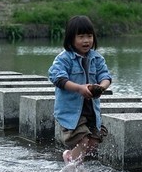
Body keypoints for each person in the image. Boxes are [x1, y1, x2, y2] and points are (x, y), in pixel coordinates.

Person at [48, 15, 112, 163]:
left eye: (89, 36)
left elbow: (106, 76)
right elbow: (57, 78)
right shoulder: (64, 58)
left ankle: (74, 162)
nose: (86, 41)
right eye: (81, 36)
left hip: (91, 110)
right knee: (82, 141)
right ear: (71, 39)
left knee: (92, 144)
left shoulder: (97, 58)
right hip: (72, 111)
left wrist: (101, 87)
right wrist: (79, 88)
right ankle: (71, 168)